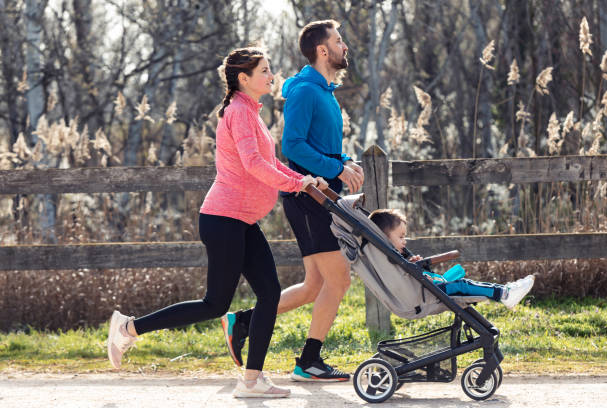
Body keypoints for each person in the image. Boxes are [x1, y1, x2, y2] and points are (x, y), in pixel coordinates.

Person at [106, 47, 324, 398]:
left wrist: (304, 179)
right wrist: (298, 184)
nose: (271, 76)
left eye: (270, 70)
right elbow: (253, 165)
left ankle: (251, 381)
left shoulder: (250, 112)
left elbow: (272, 162)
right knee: (215, 304)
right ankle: (129, 328)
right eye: (265, 71)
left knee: (269, 294)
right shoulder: (239, 112)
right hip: (223, 219)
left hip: (240, 220)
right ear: (244, 78)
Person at [220, 20, 363, 382]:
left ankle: (244, 322)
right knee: (340, 279)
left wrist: (342, 161)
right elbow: (294, 146)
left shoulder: (324, 92)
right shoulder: (304, 92)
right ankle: (309, 360)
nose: (344, 46)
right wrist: (335, 168)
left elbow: (319, 144)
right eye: (338, 41)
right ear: (322, 50)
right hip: (308, 197)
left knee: (315, 284)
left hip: (320, 195)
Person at [368, 209, 535, 309]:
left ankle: (505, 291)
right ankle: (504, 294)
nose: (405, 241)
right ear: (385, 238)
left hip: (427, 289)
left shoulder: (390, 256)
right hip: (426, 294)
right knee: (463, 285)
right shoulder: (389, 258)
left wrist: (415, 265)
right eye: (401, 236)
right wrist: (413, 267)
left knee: (462, 281)